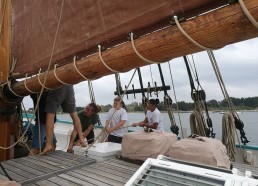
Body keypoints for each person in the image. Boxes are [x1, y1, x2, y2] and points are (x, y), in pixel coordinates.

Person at [42, 85, 87, 154]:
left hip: (57, 83)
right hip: (69, 85)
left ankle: (48, 144)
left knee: (50, 114)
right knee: (74, 114)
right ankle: (81, 139)